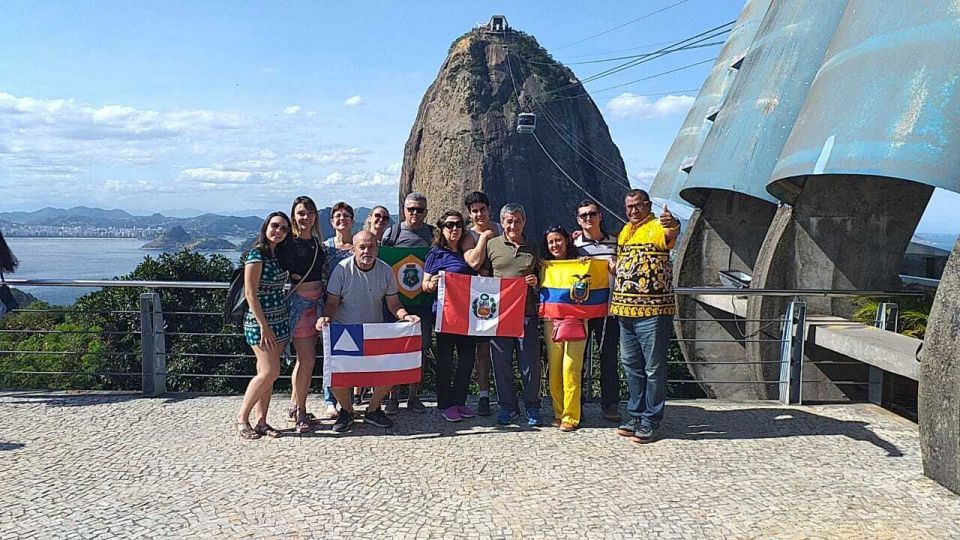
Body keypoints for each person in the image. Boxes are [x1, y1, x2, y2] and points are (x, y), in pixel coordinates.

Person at [316, 231, 421, 433]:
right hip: (346, 331)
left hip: (374, 332)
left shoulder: (386, 271)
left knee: (388, 372)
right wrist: (326, 318)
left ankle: (373, 410)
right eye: (362, 247)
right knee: (337, 374)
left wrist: (406, 316)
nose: (367, 251)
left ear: (377, 248)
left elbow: (393, 303)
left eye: (371, 246)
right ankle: (347, 411)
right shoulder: (341, 270)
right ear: (353, 249)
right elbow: (331, 302)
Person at [610, 189, 680, 444]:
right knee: (631, 366)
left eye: (638, 206)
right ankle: (635, 415)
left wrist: (671, 223)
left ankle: (651, 419)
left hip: (653, 312)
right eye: (629, 207)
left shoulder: (657, 227)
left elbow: (671, 233)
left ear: (648, 205)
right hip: (624, 311)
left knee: (653, 367)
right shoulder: (625, 231)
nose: (633, 211)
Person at [470, 203, 542, 426]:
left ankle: (532, 405)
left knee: (529, 362)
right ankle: (508, 407)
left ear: (524, 222)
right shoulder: (492, 245)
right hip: (499, 315)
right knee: (501, 363)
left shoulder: (534, 246)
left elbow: (544, 275)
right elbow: (481, 273)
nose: (513, 225)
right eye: (509, 221)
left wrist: (536, 282)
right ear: (502, 223)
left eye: (517, 221)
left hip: (526, 313)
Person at [235, 212, 292, 440]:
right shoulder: (256, 255)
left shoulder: (278, 256)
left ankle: (261, 421)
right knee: (270, 371)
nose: (278, 231)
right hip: (261, 321)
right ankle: (241, 418)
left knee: (266, 374)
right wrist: (263, 326)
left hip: (279, 318)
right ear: (266, 227)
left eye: (283, 229)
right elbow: (250, 293)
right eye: (275, 226)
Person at [380, 192, 436, 414]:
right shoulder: (391, 234)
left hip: (422, 302)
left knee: (419, 351)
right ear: (403, 210)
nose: (415, 213)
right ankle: (393, 396)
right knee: (395, 350)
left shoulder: (433, 234)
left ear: (426, 211)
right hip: (395, 302)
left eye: (419, 209)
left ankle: (414, 396)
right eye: (411, 209)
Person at [422, 210, 479, 422]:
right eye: (449, 225)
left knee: (466, 359)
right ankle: (445, 403)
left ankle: (460, 401)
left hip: (468, 315)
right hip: (444, 314)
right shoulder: (435, 253)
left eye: (458, 225)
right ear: (442, 229)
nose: (454, 229)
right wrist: (432, 284)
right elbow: (424, 284)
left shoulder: (467, 252)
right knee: (445, 360)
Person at [572, 199, 622, 422]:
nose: (588, 218)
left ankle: (610, 405)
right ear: (578, 220)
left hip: (608, 311)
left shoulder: (616, 242)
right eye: (583, 216)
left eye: (592, 214)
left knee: (609, 359)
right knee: (577, 359)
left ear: (600, 216)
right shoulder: (574, 245)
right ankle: (576, 405)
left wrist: (616, 268)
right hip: (581, 311)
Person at [280, 196, 326, 433]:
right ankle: (300, 412)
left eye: (308, 213)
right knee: (307, 359)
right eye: (300, 213)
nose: (305, 217)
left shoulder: (317, 244)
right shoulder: (291, 244)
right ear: (294, 216)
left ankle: (295, 406)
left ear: (315, 215)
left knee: (304, 360)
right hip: (299, 306)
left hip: (317, 305)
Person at [542, 225, 587, 432]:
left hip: (576, 320)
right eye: (551, 242)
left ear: (566, 240)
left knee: (571, 368)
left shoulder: (579, 263)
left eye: (558, 240)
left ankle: (571, 415)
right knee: (555, 368)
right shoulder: (544, 265)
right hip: (552, 321)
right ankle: (559, 413)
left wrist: (585, 267)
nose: (555, 245)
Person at [461, 191, 502, 416]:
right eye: (474, 211)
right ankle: (484, 395)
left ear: (489, 209)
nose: (479, 214)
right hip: (481, 300)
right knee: (483, 350)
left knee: (506, 347)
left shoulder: (503, 227)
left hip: (505, 295)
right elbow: (474, 263)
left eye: (482, 209)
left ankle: (509, 394)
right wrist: (485, 237)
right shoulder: (468, 236)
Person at [320, 201, 356, 417]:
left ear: (352, 220)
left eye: (346, 216)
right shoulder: (326, 247)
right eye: (338, 216)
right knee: (330, 354)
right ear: (332, 222)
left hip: (353, 306)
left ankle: (348, 400)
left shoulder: (360, 245)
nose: (342, 219)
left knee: (350, 354)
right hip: (330, 305)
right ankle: (329, 400)